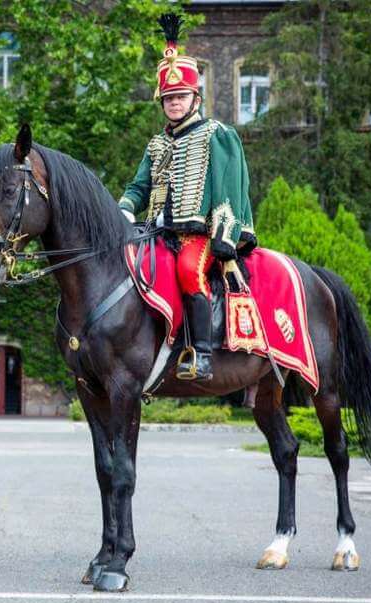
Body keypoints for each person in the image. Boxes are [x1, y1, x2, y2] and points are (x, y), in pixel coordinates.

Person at [117, 14, 257, 381]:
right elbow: (137, 188)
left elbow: (230, 192)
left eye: (180, 96)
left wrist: (225, 242)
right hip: (156, 231)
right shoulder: (157, 144)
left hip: (201, 235)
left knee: (186, 271)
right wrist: (123, 211)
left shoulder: (217, 135)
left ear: (195, 97)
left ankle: (204, 354)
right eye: (168, 98)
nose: (174, 103)